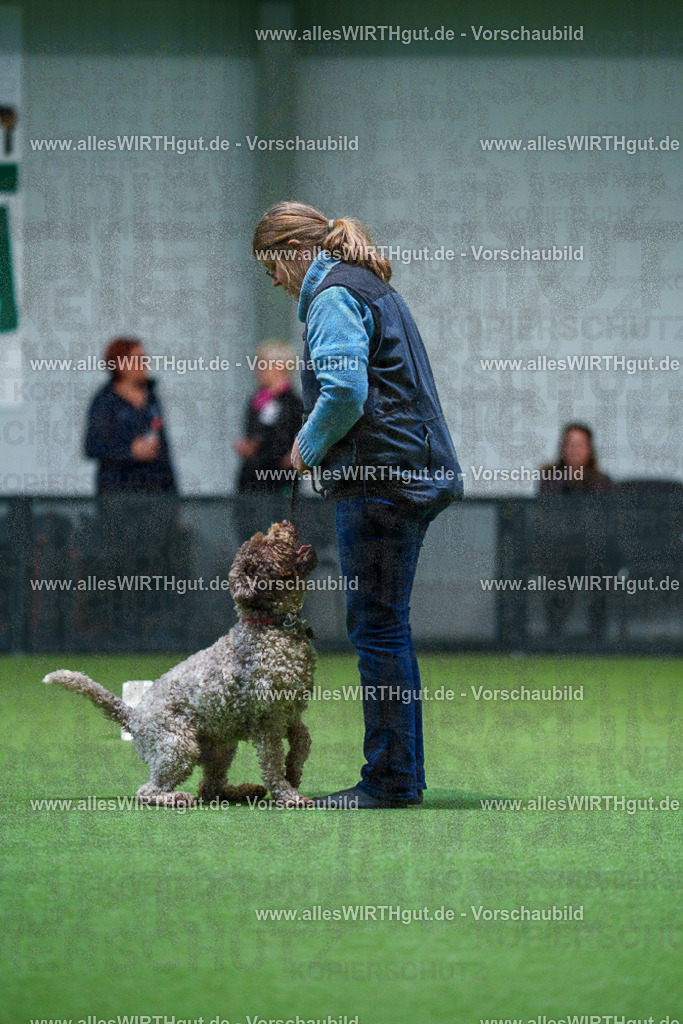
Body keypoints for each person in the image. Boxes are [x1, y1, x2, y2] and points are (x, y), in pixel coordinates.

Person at [252, 201, 463, 809]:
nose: (273, 279)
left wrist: (307, 445)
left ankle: (391, 781)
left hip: (381, 480)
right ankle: (402, 775)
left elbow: (344, 389)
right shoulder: (365, 286)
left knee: (375, 629)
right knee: (386, 626)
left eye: (272, 264)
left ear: (295, 250)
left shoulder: (331, 297)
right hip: (407, 472)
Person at [537, 423, 614, 641]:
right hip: (559, 553)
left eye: (580, 445)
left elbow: (607, 524)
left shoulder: (603, 483)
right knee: (558, 573)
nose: (575, 450)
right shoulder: (550, 482)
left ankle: (597, 639)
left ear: (590, 449)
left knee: (602, 571)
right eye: (569, 444)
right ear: (562, 449)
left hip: (594, 553)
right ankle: (554, 638)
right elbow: (545, 521)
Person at [84, 337, 177, 493]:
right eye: (139, 360)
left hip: (155, 493)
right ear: (121, 365)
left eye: (145, 359)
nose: (145, 364)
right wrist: (130, 451)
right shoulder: (105, 400)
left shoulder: (152, 398)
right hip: (119, 495)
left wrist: (173, 494)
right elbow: (92, 446)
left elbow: (163, 448)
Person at [233, 339, 303, 493]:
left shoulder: (293, 403)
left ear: (280, 366)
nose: (258, 370)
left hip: (279, 482)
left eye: (263, 365)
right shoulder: (256, 400)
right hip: (252, 481)